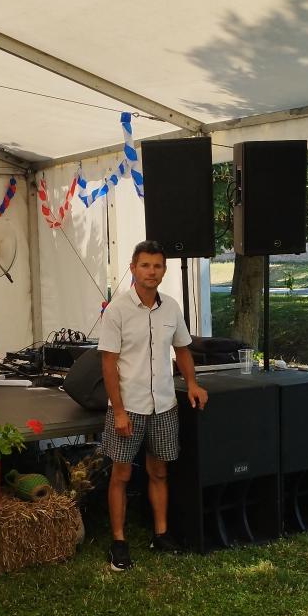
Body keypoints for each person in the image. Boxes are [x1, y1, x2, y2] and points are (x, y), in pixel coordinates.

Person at [98, 239, 208, 571]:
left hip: (164, 405)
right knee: (120, 474)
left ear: (164, 270)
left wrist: (192, 383)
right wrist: (118, 411)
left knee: (159, 471)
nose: (151, 271)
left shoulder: (171, 307)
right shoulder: (117, 310)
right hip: (128, 407)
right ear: (133, 268)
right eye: (145, 265)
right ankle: (119, 542)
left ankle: (161, 534)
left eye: (157, 266)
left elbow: (182, 350)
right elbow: (108, 364)